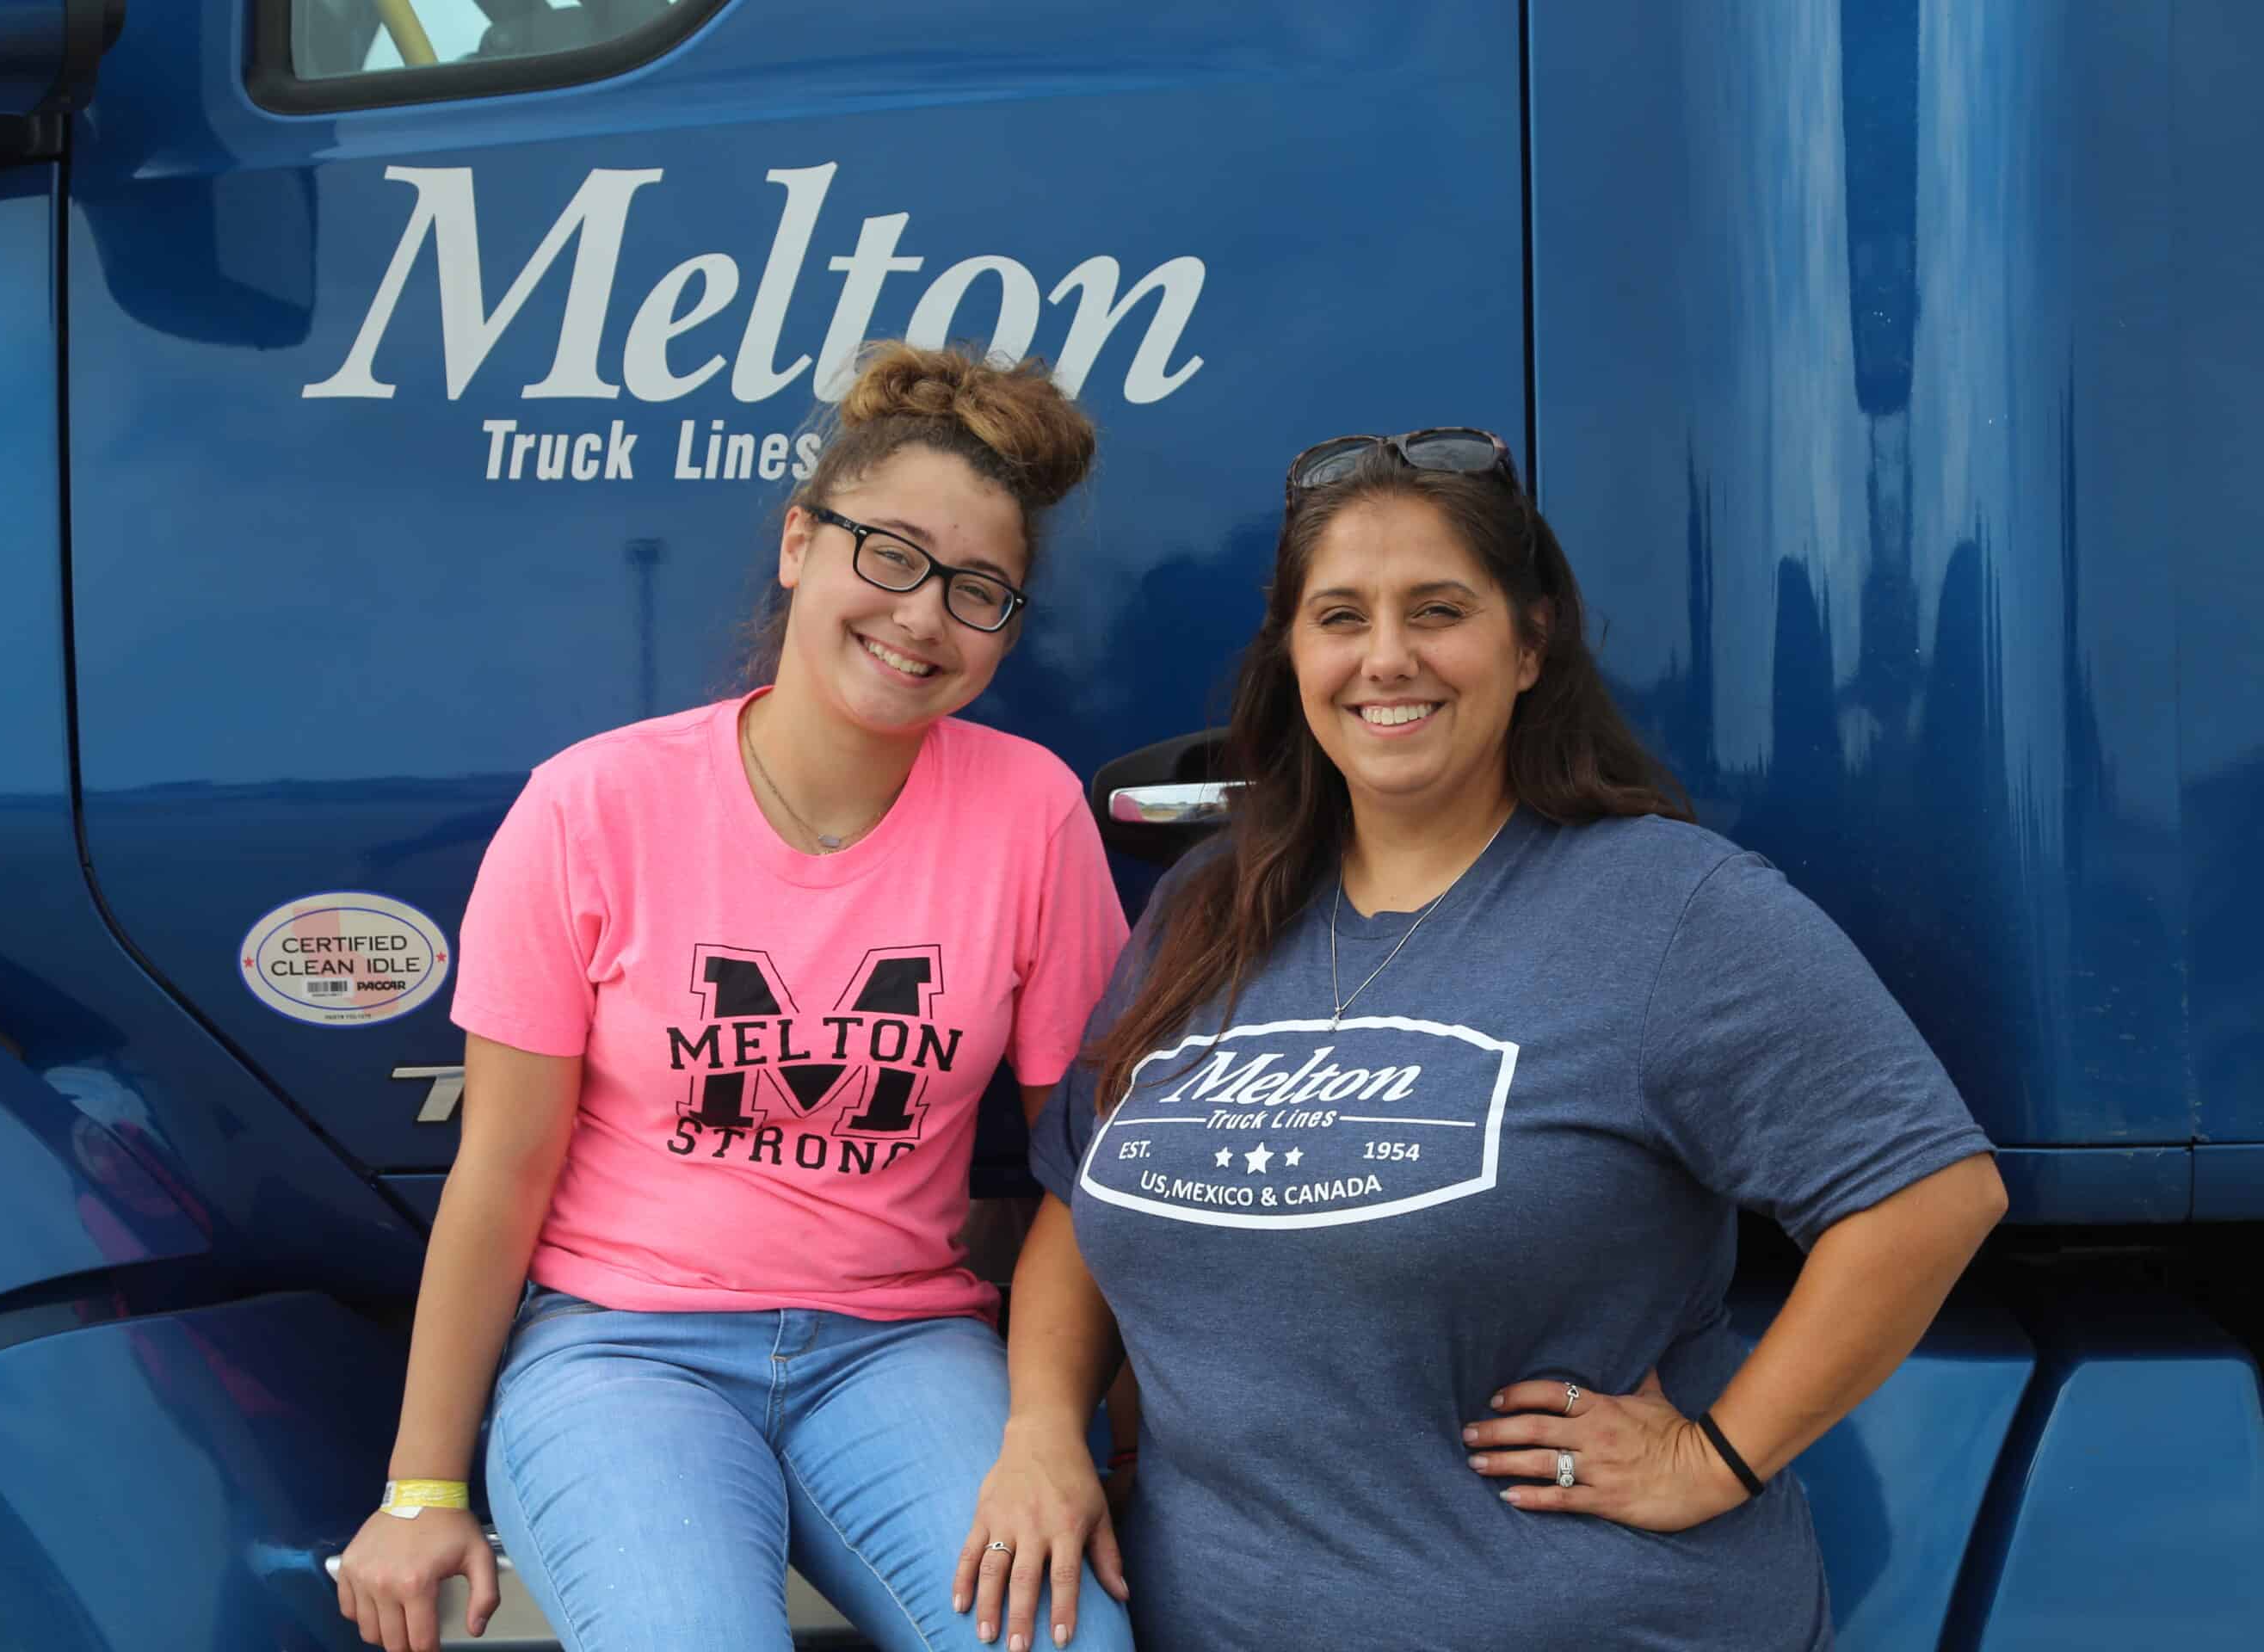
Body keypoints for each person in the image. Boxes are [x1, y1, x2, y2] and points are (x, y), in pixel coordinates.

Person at [959, 429, 2008, 1650]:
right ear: (1293, 656)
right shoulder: (1211, 907)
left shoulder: (1671, 908)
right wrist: (1041, 1429)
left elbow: (1930, 1195)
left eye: (1438, 609)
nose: (1387, 657)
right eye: (1341, 616)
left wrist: (1715, 1456)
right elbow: (1076, 1208)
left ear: (1528, 641)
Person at [335, 343, 1136, 1652]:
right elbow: (500, 1170)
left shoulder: (1030, 812)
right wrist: (421, 1488)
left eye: (979, 591)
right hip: (621, 1352)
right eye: (889, 556)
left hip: (901, 1347)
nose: (923, 617)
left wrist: (1056, 1434)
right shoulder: (594, 806)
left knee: (1066, 1639)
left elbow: (1087, 1169)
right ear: (798, 545)